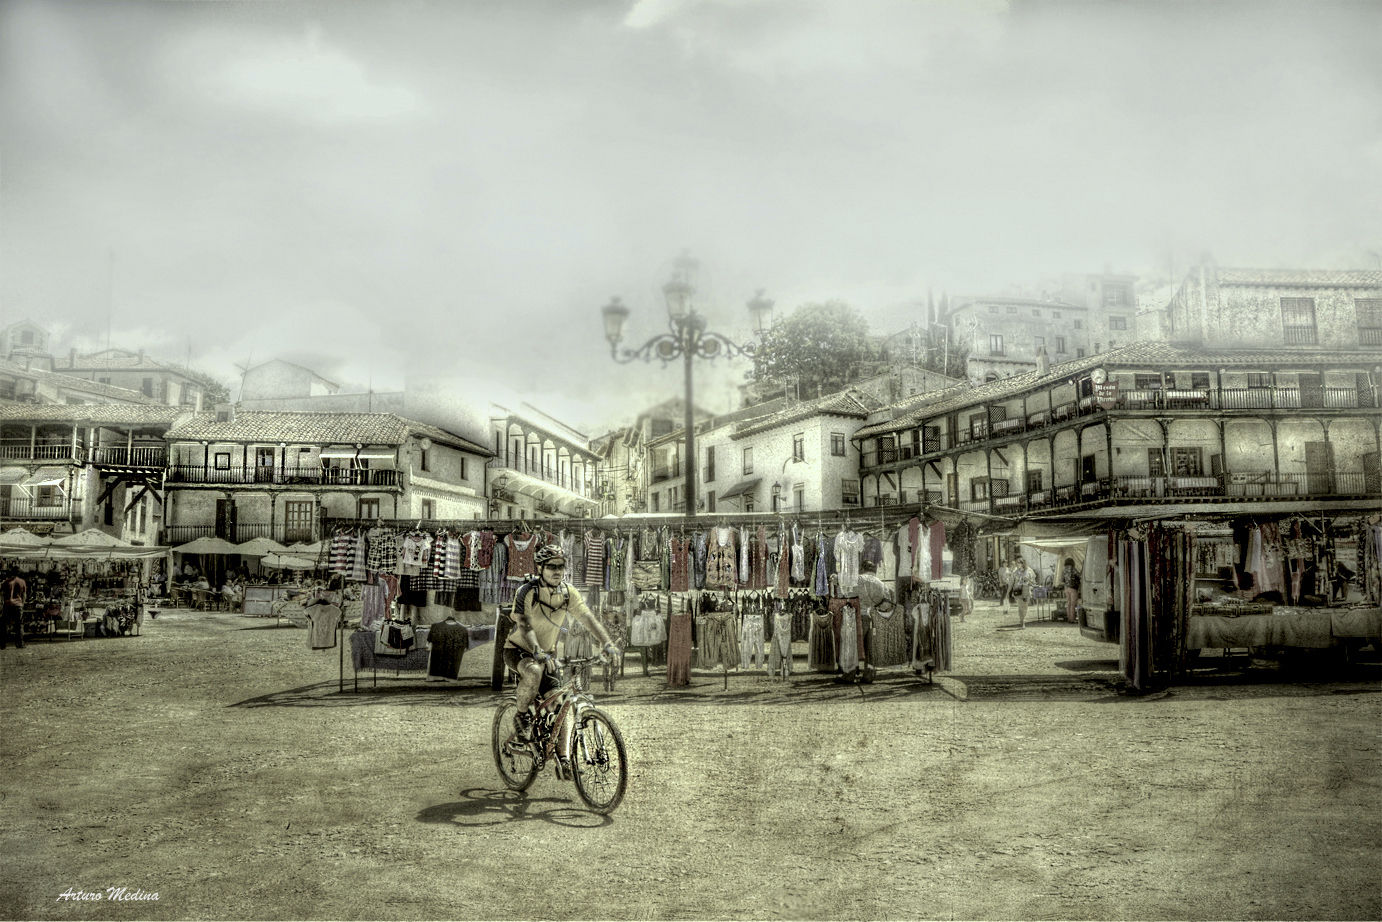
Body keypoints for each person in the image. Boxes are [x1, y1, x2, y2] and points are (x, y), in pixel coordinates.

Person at [503, 544, 619, 742]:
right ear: (540, 568)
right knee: (534, 672)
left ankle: (564, 762)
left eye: (561, 566)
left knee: (559, 707)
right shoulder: (527, 591)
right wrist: (537, 651)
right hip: (518, 650)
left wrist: (607, 644)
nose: (557, 571)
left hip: (547, 655)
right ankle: (521, 715)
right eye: (551, 567)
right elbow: (524, 623)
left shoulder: (568, 593)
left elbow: (588, 618)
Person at [2, 569, 27, 649]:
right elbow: (24, 594)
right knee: (19, 624)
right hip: (18, 605)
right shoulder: (22, 582)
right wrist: (22, 604)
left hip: (7, 604)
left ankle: (3, 644)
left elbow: (2, 594)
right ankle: (19, 643)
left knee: (4, 624)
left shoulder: (6, 582)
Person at [1008, 558, 1034, 629]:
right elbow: (1011, 583)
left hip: (1026, 591)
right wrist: (1008, 592)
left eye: (1020, 563)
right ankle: (1023, 622)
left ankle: (1022, 619)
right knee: (1020, 607)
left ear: (1023, 563)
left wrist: (1028, 579)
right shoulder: (1015, 572)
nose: (1018, 564)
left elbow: (1033, 583)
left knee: (1025, 608)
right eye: (1017, 563)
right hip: (1018, 591)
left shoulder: (1029, 571)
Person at [1061, 557, 1081, 623]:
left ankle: (1069, 618)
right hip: (1073, 588)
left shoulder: (1064, 570)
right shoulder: (1073, 569)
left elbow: (1062, 580)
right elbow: (1079, 576)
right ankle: (1073, 619)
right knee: (1073, 604)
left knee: (1068, 603)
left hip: (1066, 588)